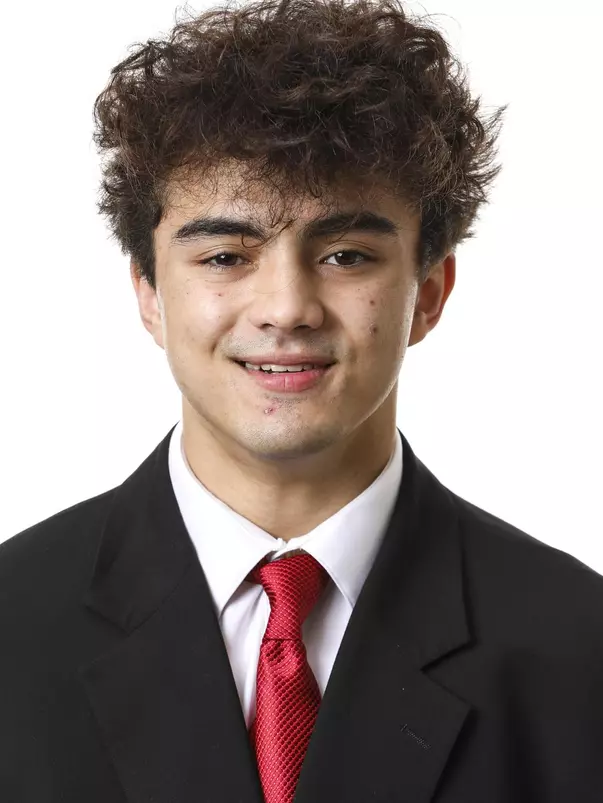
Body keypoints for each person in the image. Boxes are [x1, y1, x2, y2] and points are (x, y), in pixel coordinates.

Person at [1, 0, 602, 800]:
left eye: (346, 254)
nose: (286, 307)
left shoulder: (579, 646)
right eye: (224, 255)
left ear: (428, 291)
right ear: (148, 293)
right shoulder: (12, 624)